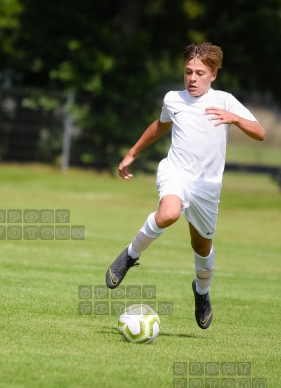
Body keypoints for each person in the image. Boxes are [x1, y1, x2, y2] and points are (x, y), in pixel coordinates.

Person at [104, 43, 265, 329]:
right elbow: (160, 125)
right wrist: (132, 152)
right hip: (175, 172)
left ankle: (201, 293)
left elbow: (260, 132)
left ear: (213, 74)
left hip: (207, 188)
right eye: (188, 72)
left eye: (199, 73)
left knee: (201, 247)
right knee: (168, 213)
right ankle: (129, 256)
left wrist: (235, 119)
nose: (192, 78)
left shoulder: (225, 101)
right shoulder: (173, 99)